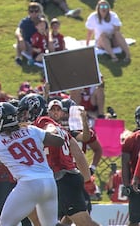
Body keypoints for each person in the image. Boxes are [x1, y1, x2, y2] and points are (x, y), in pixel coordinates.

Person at [18, 94, 97, 226]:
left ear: (34, 111)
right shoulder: (63, 130)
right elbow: (78, 154)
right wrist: (87, 179)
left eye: (25, 112)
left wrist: (50, 133)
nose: (23, 117)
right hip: (59, 179)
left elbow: (50, 128)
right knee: (40, 217)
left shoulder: (42, 123)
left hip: (62, 178)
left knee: (83, 222)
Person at [0, 102, 64, 226]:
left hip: (28, 184)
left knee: (5, 223)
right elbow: (59, 141)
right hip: (49, 181)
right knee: (51, 224)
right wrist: (50, 129)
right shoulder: (32, 130)